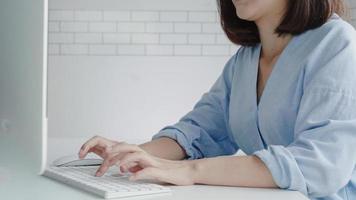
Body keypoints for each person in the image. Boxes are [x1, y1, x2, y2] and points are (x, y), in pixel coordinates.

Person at [78, 0, 356, 199]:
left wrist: (189, 171)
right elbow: (199, 131)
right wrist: (132, 153)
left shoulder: (336, 44)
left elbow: (320, 166)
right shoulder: (245, 60)